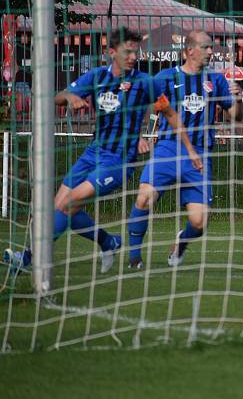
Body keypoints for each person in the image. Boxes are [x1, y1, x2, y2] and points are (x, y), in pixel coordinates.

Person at [3, 27, 199, 274]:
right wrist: (70, 98)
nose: (132, 57)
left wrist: (189, 149)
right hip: (93, 152)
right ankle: (108, 242)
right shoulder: (97, 77)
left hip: (117, 161)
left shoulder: (144, 83)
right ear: (111, 52)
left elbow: (170, 114)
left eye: (135, 52)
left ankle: (28, 260)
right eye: (127, 52)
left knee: (68, 204)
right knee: (60, 207)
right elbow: (59, 96)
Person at [125, 30, 243, 269]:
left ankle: (182, 241)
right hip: (168, 148)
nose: (211, 52)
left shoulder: (217, 80)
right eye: (206, 47)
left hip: (200, 153)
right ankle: (134, 258)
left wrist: (237, 99)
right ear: (190, 51)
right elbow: (139, 105)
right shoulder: (166, 77)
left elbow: (236, 117)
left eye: (212, 48)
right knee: (144, 198)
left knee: (199, 223)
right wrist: (137, 136)